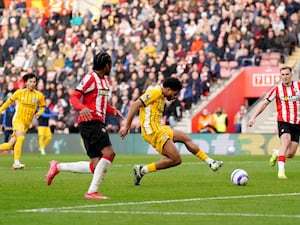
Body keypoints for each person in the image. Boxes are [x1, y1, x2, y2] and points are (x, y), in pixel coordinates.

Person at [46, 51, 123, 200]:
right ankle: (92, 192)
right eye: (110, 65)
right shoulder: (90, 78)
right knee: (110, 153)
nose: (111, 68)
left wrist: (113, 110)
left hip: (96, 122)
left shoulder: (104, 81)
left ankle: (58, 166)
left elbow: (102, 102)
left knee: (95, 166)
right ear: (106, 65)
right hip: (90, 122)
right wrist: (82, 108)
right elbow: (74, 97)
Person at [119, 77, 223, 186]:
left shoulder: (161, 96)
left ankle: (211, 162)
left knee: (185, 137)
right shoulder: (155, 92)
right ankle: (142, 170)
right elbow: (135, 105)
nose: (174, 97)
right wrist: (127, 127)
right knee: (176, 159)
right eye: (175, 93)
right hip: (152, 131)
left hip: (159, 128)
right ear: (168, 89)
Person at [247, 66, 300, 179]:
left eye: (287, 74)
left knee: (291, 153)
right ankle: (281, 171)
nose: (285, 77)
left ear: (291, 75)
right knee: (286, 141)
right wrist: (253, 117)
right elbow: (264, 104)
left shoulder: (298, 86)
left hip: (297, 123)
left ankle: (277, 153)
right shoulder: (277, 90)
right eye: (283, 75)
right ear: (280, 76)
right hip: (283, 121)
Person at [0, 73, 45, 169]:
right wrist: (0, 110)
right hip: (18, 120)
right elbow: (8, 102)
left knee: (10, 145)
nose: (33, 83)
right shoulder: (19, 92)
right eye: (30, 81)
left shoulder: (39, 95)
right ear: (25, 83)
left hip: (26, 123)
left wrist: (39, 113)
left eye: (34, 82)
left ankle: (16, 162)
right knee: (21, 138)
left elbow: (42, 107)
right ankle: (16, 162)